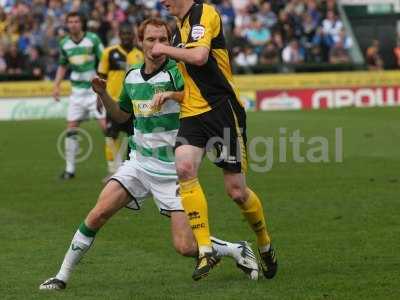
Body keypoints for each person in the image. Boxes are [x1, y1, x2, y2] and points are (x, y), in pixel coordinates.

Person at [39, 18, 259, 291]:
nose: (158, 45)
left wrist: (170, 95)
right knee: (97, 215)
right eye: (151, 40)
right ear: (140, 43)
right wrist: (104, 94)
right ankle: (61, 277)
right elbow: (121, 115)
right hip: (139, 165)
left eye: (164, 40)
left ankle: (237, 249)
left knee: (185, 246)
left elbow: (195, 96)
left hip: (174, 172)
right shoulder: (132, 76)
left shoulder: (178, 72)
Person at [154, 0, 278, 281]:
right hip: (192, 112)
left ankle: (264, 242)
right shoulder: (177, 29)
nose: (162, 2)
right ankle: (206, 249)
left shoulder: (204, 13)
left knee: (236, 191)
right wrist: (171, 94)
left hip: (222, 109)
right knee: (184, 169)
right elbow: (189, 80)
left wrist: (164, 50)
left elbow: (199, 57)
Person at [53, 12, 106, 180]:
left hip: (93, 91)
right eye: (70, 22)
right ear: (67, 24)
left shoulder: (93, 39)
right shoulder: (64, 43)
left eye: (76, 21)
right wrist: (56, 85)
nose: (73, 24)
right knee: (71, 129)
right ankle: (70, 170)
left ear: (81, 23)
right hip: (76, 92)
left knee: (107, 128)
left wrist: (104, 84)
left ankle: (117, 166)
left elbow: (104, 60)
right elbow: (62, 65)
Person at [97, 22, 144, 180]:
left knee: (134, 136)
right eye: (123, 34)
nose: (126, 37)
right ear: (119, 35)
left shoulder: (141, 54)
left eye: (128, 34)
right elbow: (101, 77)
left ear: (133, 35)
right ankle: (112, 170)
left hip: (133, 103)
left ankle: (129, 168)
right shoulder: (109, 53)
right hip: (114, 102)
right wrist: (99, 98)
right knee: (111, 135)